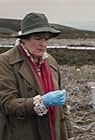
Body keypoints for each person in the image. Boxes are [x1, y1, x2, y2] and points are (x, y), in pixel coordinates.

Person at [0, 12, 68, 140]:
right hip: (22, 134)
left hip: (53, 133)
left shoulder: (51, 61)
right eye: (37, 38)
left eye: (46, 39)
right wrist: (41, 102)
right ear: (24, 39)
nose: (43, 43)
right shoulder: (5, 62)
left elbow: (62, 108)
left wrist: (67, 133)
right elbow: (6, 103)